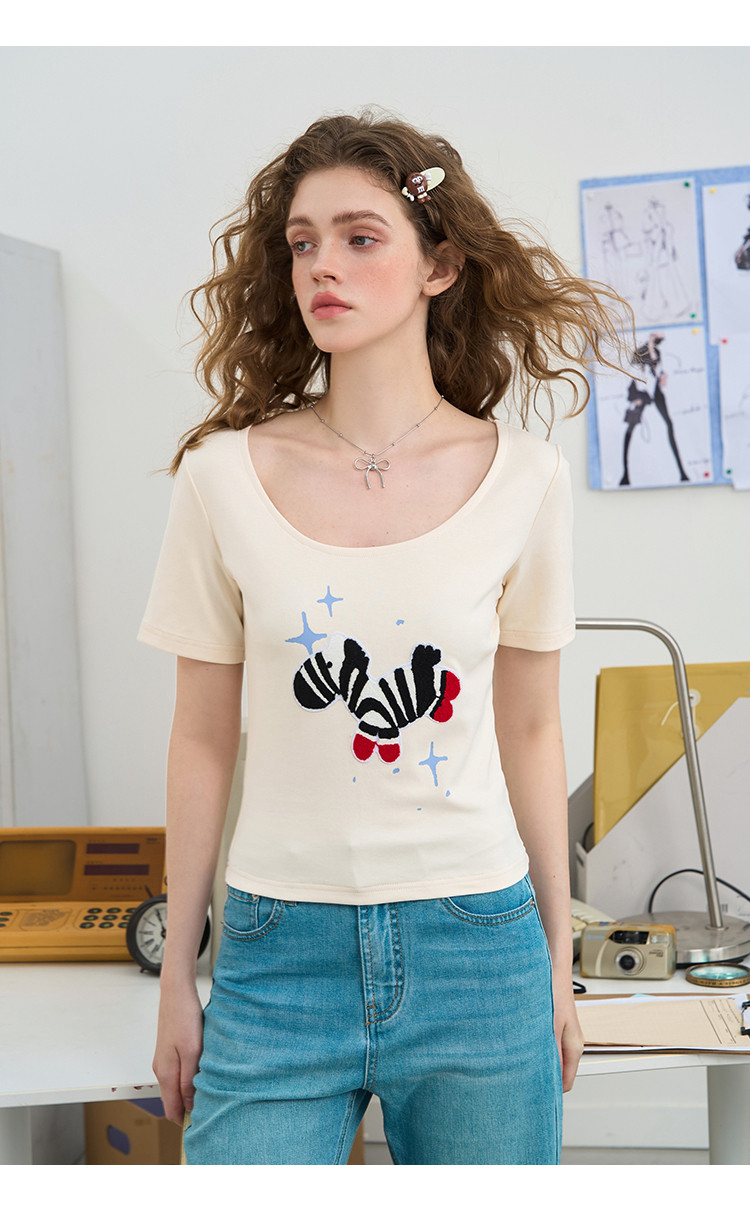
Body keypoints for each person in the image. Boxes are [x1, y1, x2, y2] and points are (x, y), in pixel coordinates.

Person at [137, 109, 627, 1165]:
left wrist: (555, 959)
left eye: (361, 237)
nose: (323, 265)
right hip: (276, 949)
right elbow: (201, 737)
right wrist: (179, 972)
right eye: (302, 242)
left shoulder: (526, 479)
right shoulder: (221, 478)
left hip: (478, 945)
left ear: (438, 265)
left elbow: (532, 729)